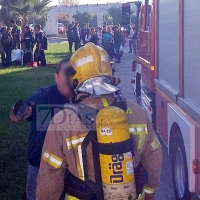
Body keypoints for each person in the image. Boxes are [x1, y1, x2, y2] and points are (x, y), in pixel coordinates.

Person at [36, 43, 162, 200]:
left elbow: (50, 175)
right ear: (109, 72)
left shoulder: (62, 121)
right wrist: (149, 193)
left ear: (74, 78)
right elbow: (153, 156)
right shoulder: (136, 112)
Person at [10, 58, 73, 200]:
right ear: (56, 77)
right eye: (66, 73)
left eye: (73, 73)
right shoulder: (44, 96)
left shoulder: (81, 99)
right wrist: (21, 110)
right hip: (40, 164)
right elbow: (22, 112)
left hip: (71, 166)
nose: (70, 78)